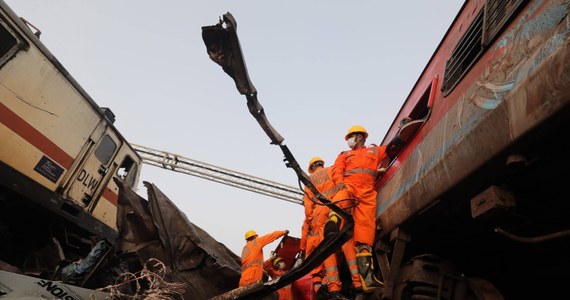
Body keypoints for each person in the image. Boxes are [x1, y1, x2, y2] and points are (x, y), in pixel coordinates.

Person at [330, 125, 387, 292]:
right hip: (350, 186)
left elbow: (393, 146)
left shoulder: (375, 151)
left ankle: (367, 278)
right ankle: (332, 222)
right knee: (342, 197)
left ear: (360, 136)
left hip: (367, 193)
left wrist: (403, 126)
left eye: (351, 136)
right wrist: (340, 184)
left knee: (365, 234)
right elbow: (337, 170)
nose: (349, 140)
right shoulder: (345, 155)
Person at [300, 157, 359, 299]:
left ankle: (334, 288)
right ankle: (357, 282)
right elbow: (343, 184)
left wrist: (310, 219)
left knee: (327, 249)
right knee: (346, 242)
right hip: (337, 206)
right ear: (321, 164)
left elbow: (308, 207)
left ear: (311, 167)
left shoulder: (309, 180)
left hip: (320, 213)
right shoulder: (332, 169)